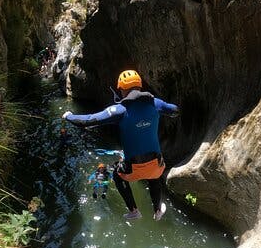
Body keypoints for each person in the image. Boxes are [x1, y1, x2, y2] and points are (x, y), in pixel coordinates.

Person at [62, 70, 179, 220]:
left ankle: (134, 211)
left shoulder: (119, 110)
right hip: (156, 166)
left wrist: (69, 116)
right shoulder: (155, 103)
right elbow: (175, 110)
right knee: (154, 176)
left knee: (117, 175)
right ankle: (157, 211)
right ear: (140, 86)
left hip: (132, 171)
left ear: (122, 89)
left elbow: (88, 121)